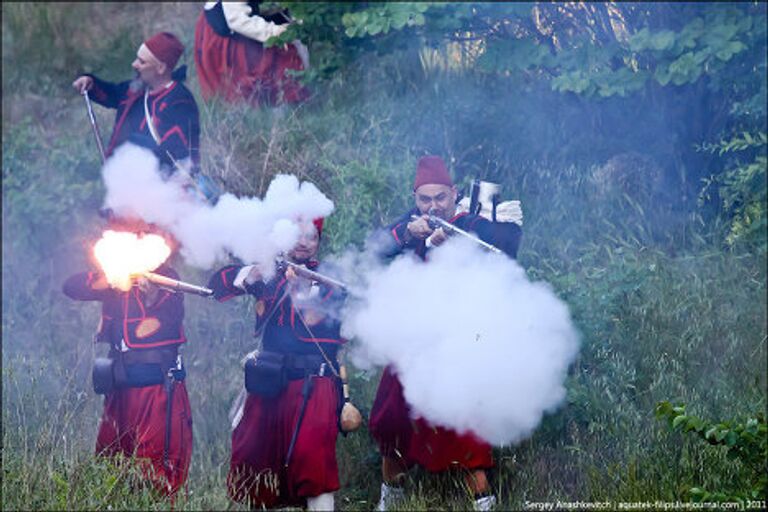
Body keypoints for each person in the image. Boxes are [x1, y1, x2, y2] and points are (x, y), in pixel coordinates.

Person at [368, 155, 522, 511]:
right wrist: (409, 233)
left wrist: (454, 235)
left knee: (466, 432)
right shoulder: (412, 223)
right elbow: (375, 250)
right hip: (413, 343)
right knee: (392, 421)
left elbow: (505, 243)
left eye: (440, 198)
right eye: (425, 199)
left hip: (457, 345)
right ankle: (390, 501)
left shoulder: (471, 221)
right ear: (415, 198)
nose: (433, 206)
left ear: (454, 194)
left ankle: (484, 503)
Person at [208, 218, 346, 511]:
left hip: (314, 384)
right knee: (257, 462)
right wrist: (253, 272)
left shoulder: (330, 277)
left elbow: (318, 316)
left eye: (311, 237)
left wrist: (302, 288)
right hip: (269, 382)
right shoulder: (269, 272)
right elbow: (216, 287)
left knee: (313, 464)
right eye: (297, 235)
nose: (304, 242)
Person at [62, 221, 192, 497]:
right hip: (119, 384)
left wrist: (152, 293)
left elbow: (169, 321)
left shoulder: (168, 279)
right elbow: (71, 287)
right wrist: (110, 278)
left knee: (154, 467)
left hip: (156, 385)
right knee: (110, 462)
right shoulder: (114, 276)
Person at [72, 32, 200, 175]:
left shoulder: (180, 101)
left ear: (161, 68)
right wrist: (91, 84)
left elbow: (175, 154)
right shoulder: (136, 90)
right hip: (131, 179)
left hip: (162, 186)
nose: (134, 64)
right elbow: (112, 94)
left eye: (142, 62)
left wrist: (134, 147)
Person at [194, 1, 310, 107]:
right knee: (241, 94)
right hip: (231, 31)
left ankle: (290, 112)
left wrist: (300, 26)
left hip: (267, 20)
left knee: (286, 80)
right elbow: (237, 19)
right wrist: (277, 33)